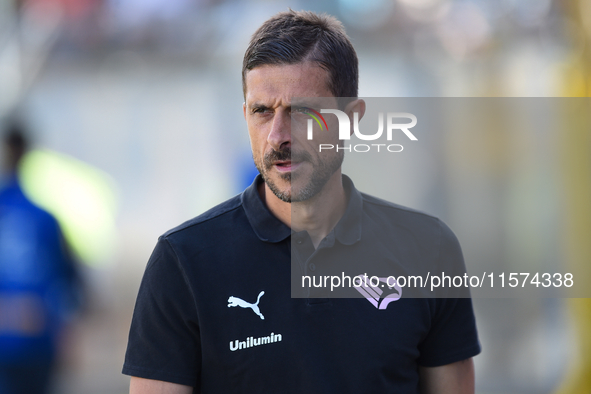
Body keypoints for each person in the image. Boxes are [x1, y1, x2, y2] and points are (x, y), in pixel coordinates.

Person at [123, 10, 481, 394]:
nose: (278, 136)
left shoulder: (428, 250)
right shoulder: (183, 262)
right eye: (262, 111)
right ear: (246, 115)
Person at [0, 121, 82, 394]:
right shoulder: (46, 218)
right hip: (37, 342)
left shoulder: (46, 219)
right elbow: (72, 285)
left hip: (26, 346)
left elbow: (71, 280)